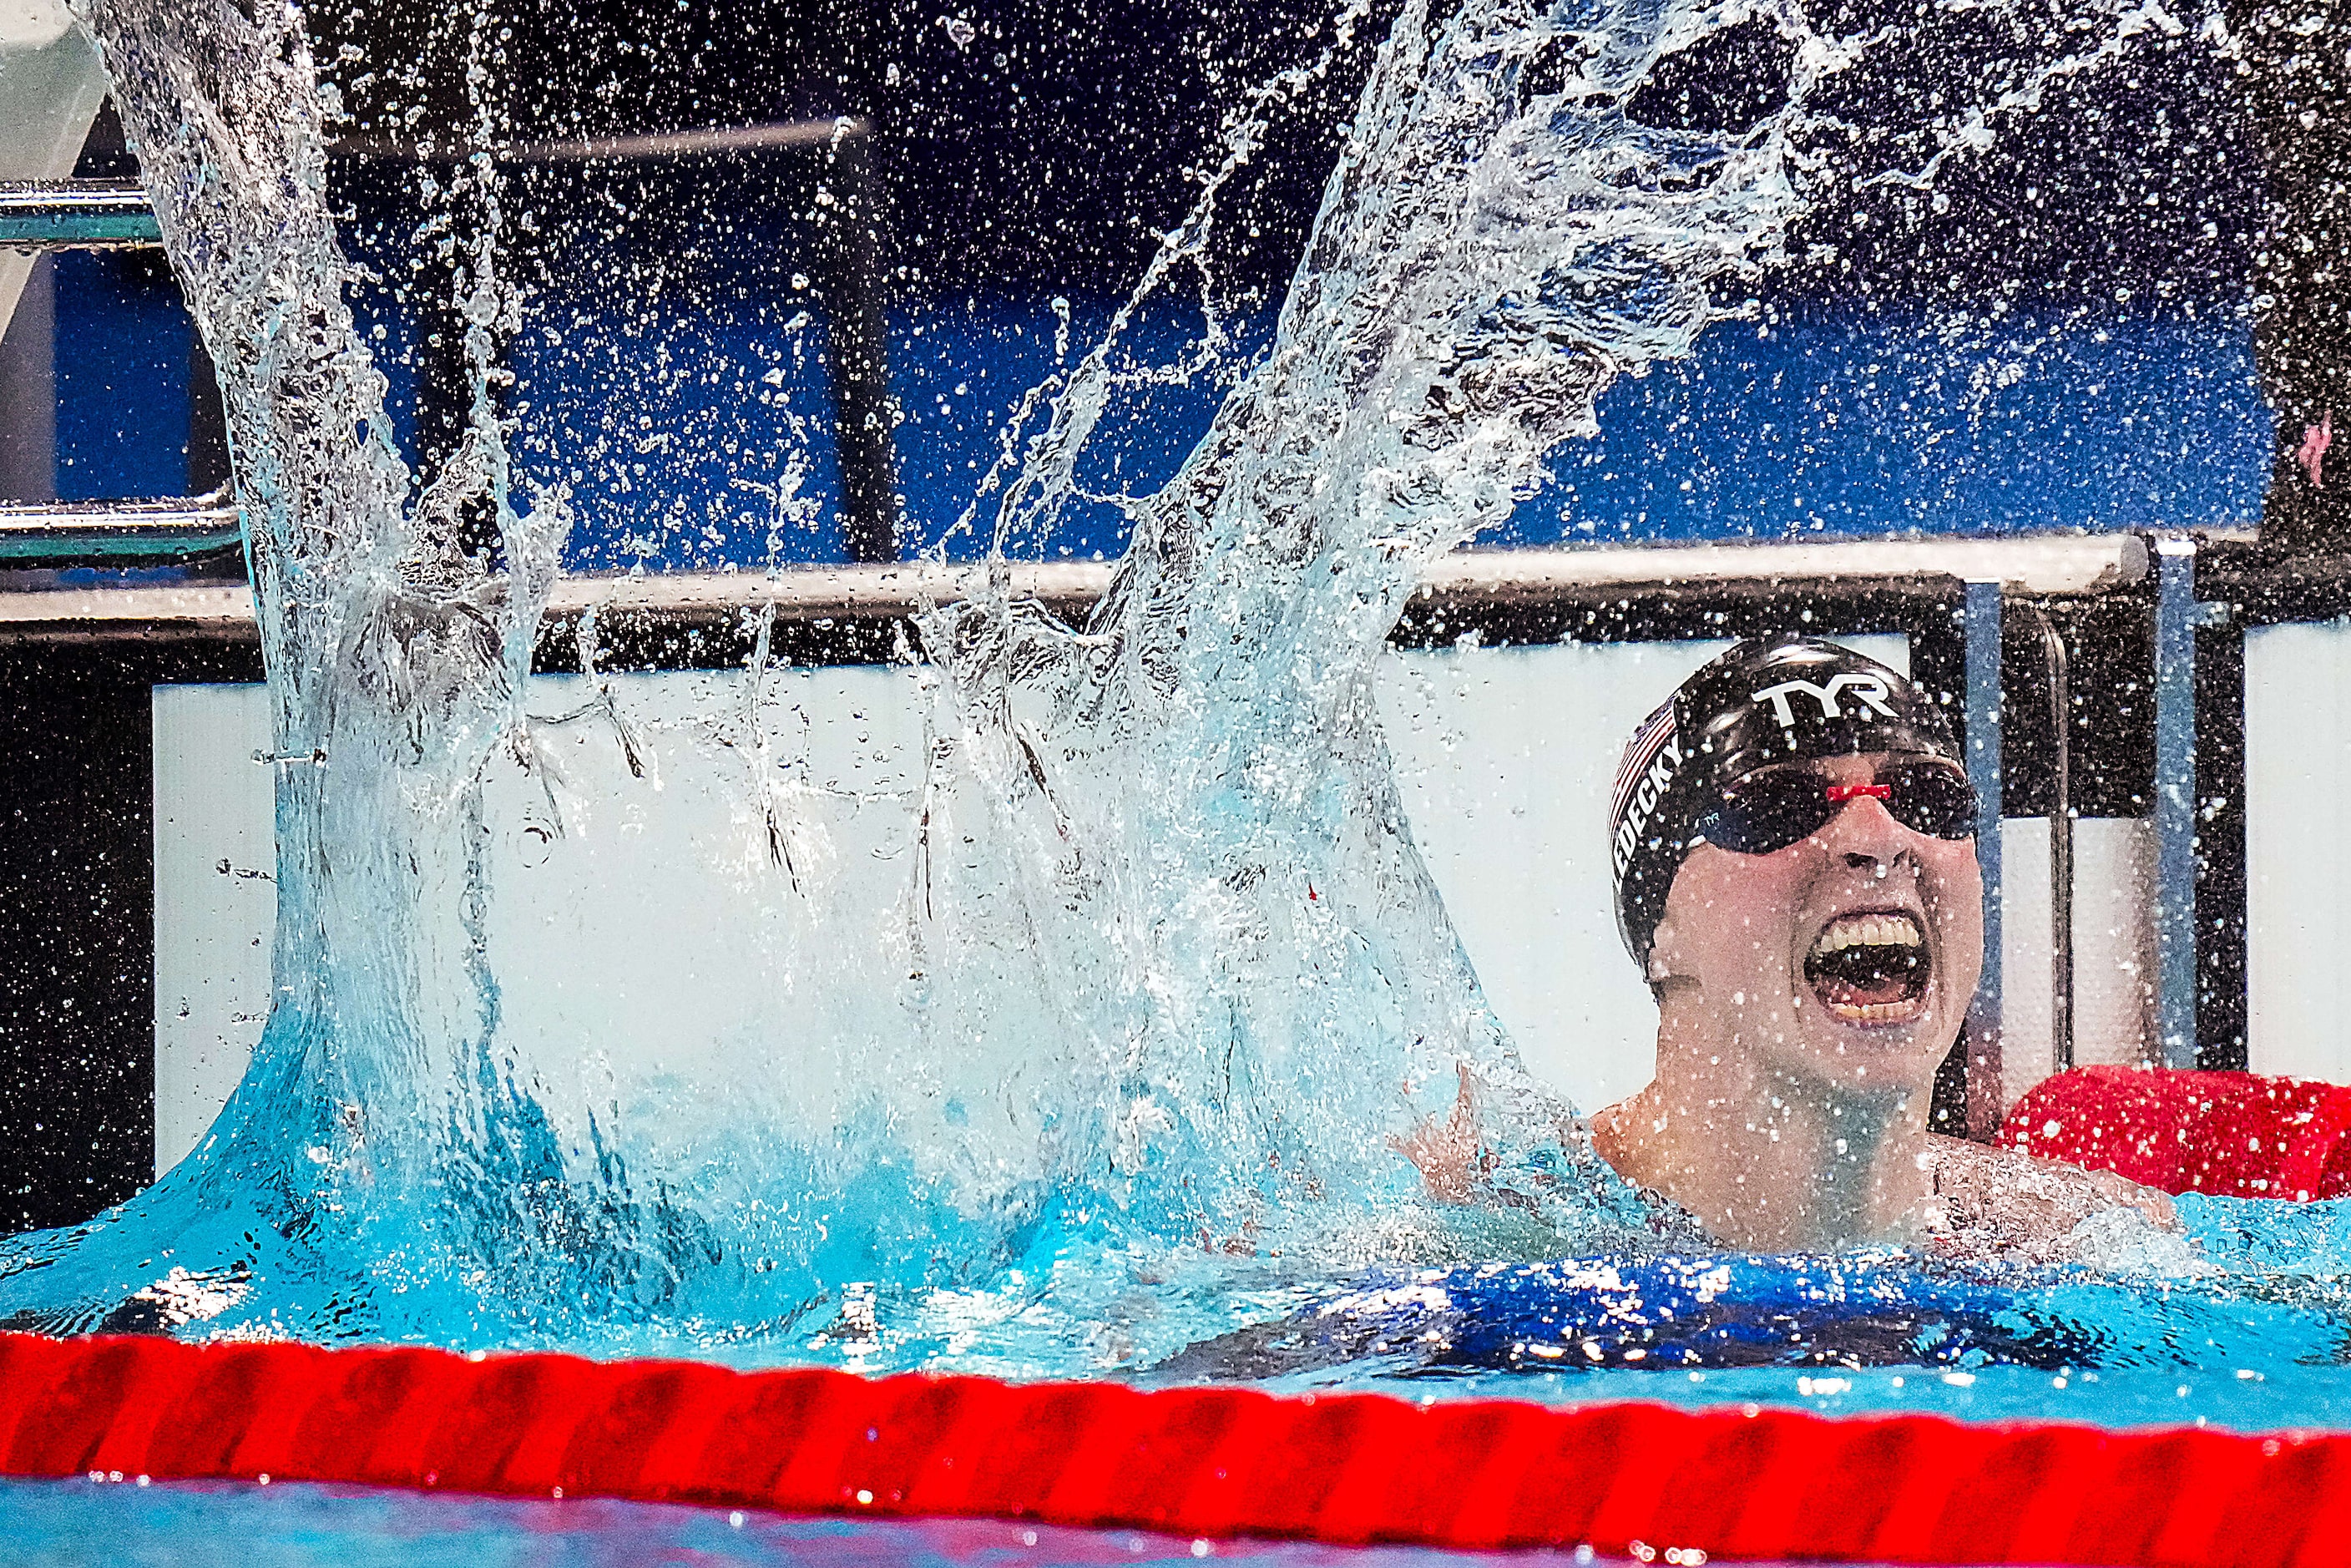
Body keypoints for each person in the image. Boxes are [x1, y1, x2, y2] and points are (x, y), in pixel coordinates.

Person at [1401, 635, 2175, 1257]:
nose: (1878, 838)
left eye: (1927, 798)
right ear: (1660, 929)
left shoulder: (2085, 1240)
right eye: (1779, 805)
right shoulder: (1499, 1234)